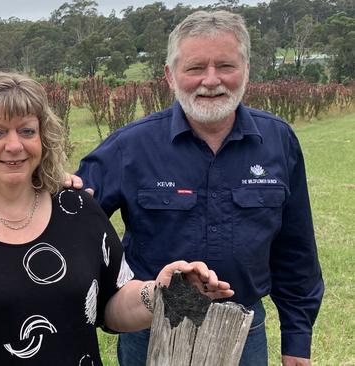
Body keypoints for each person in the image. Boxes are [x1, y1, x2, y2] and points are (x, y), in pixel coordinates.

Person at [0, 72, 233, 365]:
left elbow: (110, 307)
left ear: (43, 137)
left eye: (27, 130)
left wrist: (160, 295)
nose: (15, 145)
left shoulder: (77, 210)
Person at [74, 10, 324, 366]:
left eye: (225, 65)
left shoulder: (277, 141)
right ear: (170, 76)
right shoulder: (131, 147)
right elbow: (72, 218)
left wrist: (297, 339)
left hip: (242, 328)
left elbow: (296, 249)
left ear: (247, 70)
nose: (211, 80)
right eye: (194, 68)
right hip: (153, 327)